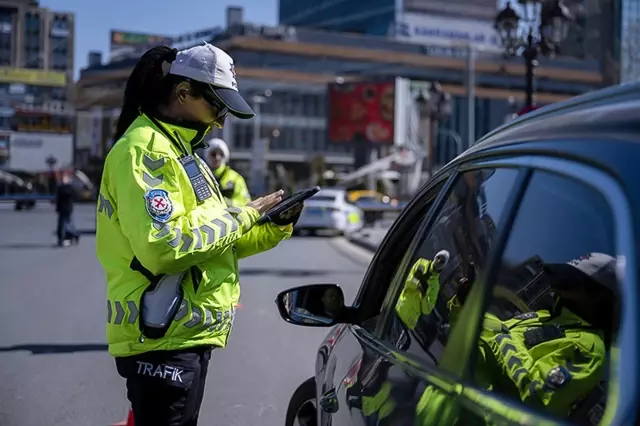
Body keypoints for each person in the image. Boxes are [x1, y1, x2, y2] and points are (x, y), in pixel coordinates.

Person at [95, 42, 303, 426]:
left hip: (181, 337)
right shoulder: (147, 151)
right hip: (160, 336)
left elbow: (216, 244)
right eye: (217, 107)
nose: (221, 121)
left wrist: (274, 225)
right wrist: (243, 216)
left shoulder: (185, 152)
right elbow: (166, 248)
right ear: (183, 92)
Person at [202, 137, 251, 207]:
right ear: (207, 155)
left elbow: (245, 203)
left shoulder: (236, 178)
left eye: (221, 154)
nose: (217, 158)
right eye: (213, 154)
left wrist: (226, 203)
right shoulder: (200, 176)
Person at [55, 171, 79, 247]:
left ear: (68, 179)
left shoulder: (69, 188)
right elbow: (58, 199)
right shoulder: (60, 188)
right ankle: (64, 238)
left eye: (64, 178)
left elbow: (73, 195)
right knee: (62, 224)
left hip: (68, 208)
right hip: (61, 209)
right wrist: (57, 208)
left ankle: (69, 236)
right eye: (62, 179)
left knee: (66, 224)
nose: (63, 180)